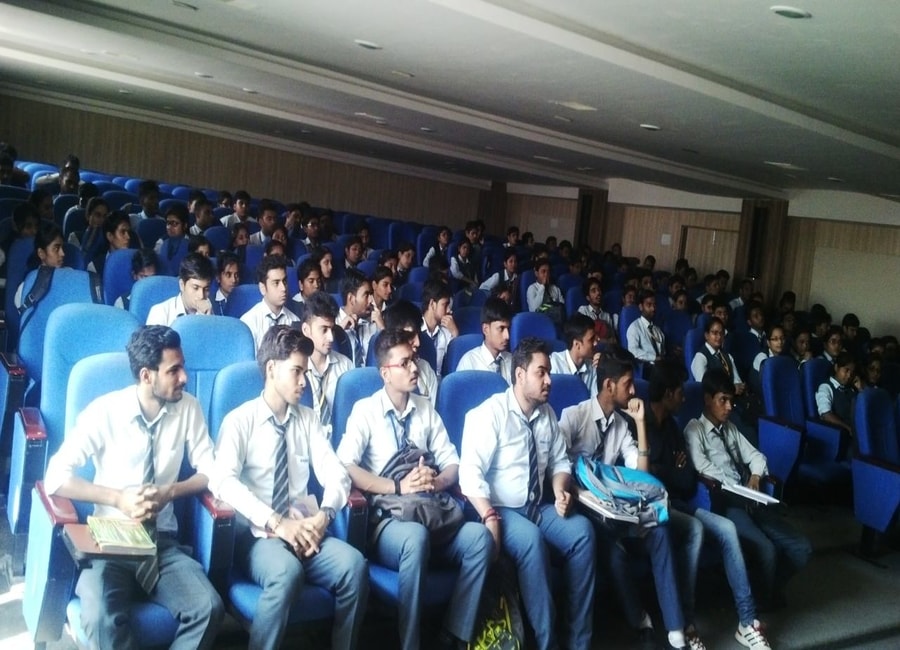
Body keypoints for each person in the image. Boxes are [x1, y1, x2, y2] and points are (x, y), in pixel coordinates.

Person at [43, 326, 224, 648]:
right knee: (100, 617)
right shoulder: (105, 411)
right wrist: (118, 499)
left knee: (208, 608)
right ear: (146, 376)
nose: (184, 377)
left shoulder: (188, 408)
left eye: (183, 367)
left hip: (161, 542)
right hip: (111, 541)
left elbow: (211, 471)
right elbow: (55, 476)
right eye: (174, 370)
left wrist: (170, 491)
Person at [214, 326, 369, 650]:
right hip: (259, 535)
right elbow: (224, 482)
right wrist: (276, 522)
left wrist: (324, 516)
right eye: (296, 371)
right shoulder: (240, 421)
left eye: (305, 372)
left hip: (305, 526)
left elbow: (337, 474)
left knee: (354, 566)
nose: (304, 382)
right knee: (286, 572)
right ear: (271, 369)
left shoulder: (308, 419)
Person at [337, 329, 492, 650]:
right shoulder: (366, 411)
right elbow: (346, 466)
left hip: (431, 510)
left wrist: (436, 481)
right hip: (389, 522)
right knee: (415, 538)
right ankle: (411, 643)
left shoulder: (425, 409)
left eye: (414, 361)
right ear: (385, 373)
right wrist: (398, 486)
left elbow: (453, 463)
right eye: (405, 363)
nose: (414, 368)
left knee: (479, 539)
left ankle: (454, 634)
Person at [558, 347, 703, 650]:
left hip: (620, 508)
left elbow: (642, 476)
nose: (635, 391)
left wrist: (639, 424)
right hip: (586, 509)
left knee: (660, 532)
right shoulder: (574, 417)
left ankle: (676, 629)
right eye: (628, 384)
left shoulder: (622, 425)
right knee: (615, 555)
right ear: (608, 385)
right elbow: (556, 464)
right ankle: (640, 620)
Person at [459, 337, 596, 650]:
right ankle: (548, 643)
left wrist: (560, 490)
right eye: (541, 372)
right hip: (501, 509)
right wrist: (489, 516)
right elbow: (470, 474)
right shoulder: (489, 414)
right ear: (520, 375)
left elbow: (560, 461)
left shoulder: (546, 414)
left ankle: (579, 640)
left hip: (537, 506)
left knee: (583, 534)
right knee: (532, 541)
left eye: (549, 372)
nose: (549, 380)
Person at [645, 363, 771, 649]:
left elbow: (687, 479)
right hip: (656, 507)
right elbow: (648, 479)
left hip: (680, 502)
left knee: (727, 529)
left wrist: (666, 470)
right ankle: (688, 623)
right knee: (697, 531)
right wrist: (670, 470)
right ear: (668, 394)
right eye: (680, 392)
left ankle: (747, 621)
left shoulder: (673, 427)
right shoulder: (644, 427)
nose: (684, 398)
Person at [685, 368, 811, 610]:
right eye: (723, 400)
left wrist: (754, 477)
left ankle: (769, 589)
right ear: (708, 399)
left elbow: (757, 457)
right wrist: (738, 489)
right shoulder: (695, 430)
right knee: (767, 550)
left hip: (750, 498)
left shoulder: (730, 428)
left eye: (731, 401)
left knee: (801, 547)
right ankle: (761, 600)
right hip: (726, 503)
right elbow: (703, 468)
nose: (729, 407)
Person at [300, 291, 352, 432]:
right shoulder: (296, 370)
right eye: (324, 330)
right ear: (306, 330)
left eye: (332, 330)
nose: (331, 338)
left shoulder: (346, 366)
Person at [240, 254, 301, 352]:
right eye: (276, 283)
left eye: (284, 281)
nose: (283, 288)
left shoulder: (295, 321)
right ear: (263, 288)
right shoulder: (249, 322)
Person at [146, 253, 214, 325]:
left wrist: (207, 320)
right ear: (182, 285)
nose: (201, 296)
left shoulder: (208, 310)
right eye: (195, 288)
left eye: (206, 289)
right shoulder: (160, 313)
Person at [455, 297, 513, 382]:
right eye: (501, 328)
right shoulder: (469, 363)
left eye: (508, 328)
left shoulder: (511, 360)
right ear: (485, 329)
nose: (507, 336)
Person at [14, 222, 66, 309]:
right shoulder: (28, 285)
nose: (62, 254)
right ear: (41, 253)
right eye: (56, 249)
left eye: (62, 248)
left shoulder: (71, 274)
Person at [815, 350, 857, 453]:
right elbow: (826, 415)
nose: (849, 375)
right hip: (839, 437)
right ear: (836, 367)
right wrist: (849, 429)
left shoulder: (851, 389)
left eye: (852, 372)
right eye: (846, 370)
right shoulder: (826, 387)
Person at [690, 316, 745, 393]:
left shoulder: (727, 356)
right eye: (715, 333)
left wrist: (739, 387)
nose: (719, 337)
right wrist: (732, 389)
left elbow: (737, 381)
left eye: (721, 333)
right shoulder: (701, 357)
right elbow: (704, 387)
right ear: (706, 335)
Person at [337, 269, 379, 367]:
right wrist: (338, 331)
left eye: (371, 295)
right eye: (366, 295)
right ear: (351, 299)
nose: (371, 300)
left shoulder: (371, 326)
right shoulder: (333, 324)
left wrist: (381, 327)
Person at [550, 314, 599, 398]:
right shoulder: (554, 364)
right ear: (577, 344)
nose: (596, 343)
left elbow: (594, 400)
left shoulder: (592, 366)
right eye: (591, 339)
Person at [420, 280, 458, 376]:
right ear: (432, 304)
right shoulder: (415, 329)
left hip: (438, 381)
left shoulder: (447, 332)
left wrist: (455, 333)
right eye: (445, 305)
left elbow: (455, 361)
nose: (449, 310)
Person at [627, 289, 666, 365]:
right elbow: (633, 351)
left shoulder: (657, 330)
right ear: (641, 307)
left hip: (661, 366)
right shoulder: (634, 327)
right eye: (649, 305)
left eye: (654, 305)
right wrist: (654, 358)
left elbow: (663, 351)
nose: (653, 308)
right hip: (647, 367)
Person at [577, 277, 616, 345]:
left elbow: (613, 340)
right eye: (593, 291)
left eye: (599, 290)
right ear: (588, 297)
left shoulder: (607, 316)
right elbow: (584, 336)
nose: (598, 293)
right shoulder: (583, 311)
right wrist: (604, 341)